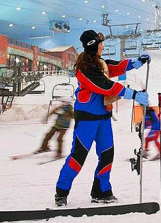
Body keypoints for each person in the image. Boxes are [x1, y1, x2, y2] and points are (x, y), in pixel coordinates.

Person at [54, 30, 150, 206]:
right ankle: (61, 191)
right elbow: (103, 85)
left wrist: (135, 63)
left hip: (103, 116)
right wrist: (132, 93)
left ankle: (101, 191)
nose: (103, 47)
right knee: (78, 156)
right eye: (100, 44)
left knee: (107, 154)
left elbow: (113, 67)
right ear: (93, 46)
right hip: (87, 118)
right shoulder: (84, 68)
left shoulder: (99, 63)